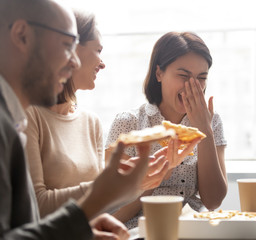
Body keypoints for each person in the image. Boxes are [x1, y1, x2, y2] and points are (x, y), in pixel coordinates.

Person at [0, 0, 151, 239]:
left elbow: (21, 231)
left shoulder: (13, 120)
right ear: (22, 35)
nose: (74, 62)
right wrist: (101, 193)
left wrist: (82, 232)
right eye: (67, 45)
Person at [25, 10, 169, 219]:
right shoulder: (29, 116)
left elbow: (99, 206)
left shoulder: (91, 122)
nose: (102, 64)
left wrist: (138, 182)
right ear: (70, 49)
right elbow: (37, 205)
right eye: (98, 50)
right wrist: (107, 186)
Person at [105, 31, 228, 228]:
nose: (193, 86)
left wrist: (204, 130)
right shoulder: (129, 124)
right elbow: (115, 213)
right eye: (183, 75)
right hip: (141, 228)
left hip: (193, 228)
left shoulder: (212, 121)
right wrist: (162, 171)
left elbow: (213, 201)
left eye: (201, 77)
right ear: (159, 73)